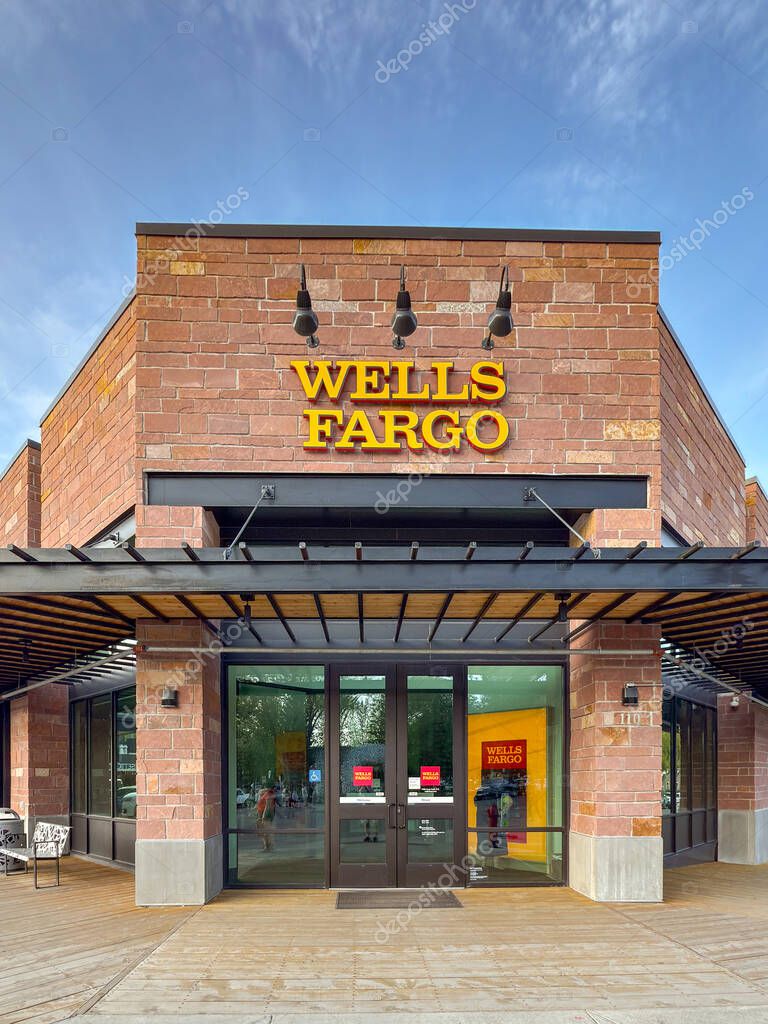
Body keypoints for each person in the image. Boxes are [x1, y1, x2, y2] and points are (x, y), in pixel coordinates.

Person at [256, 784, 277, 851]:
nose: (260, 791)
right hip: (261, 814)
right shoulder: (264, 794)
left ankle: (270, 846)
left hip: (265, 815)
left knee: (267, 831)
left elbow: (268, 806)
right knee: (262, 831)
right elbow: (260, 804)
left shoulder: (268, 794)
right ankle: (266, 846)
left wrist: (264, 816)